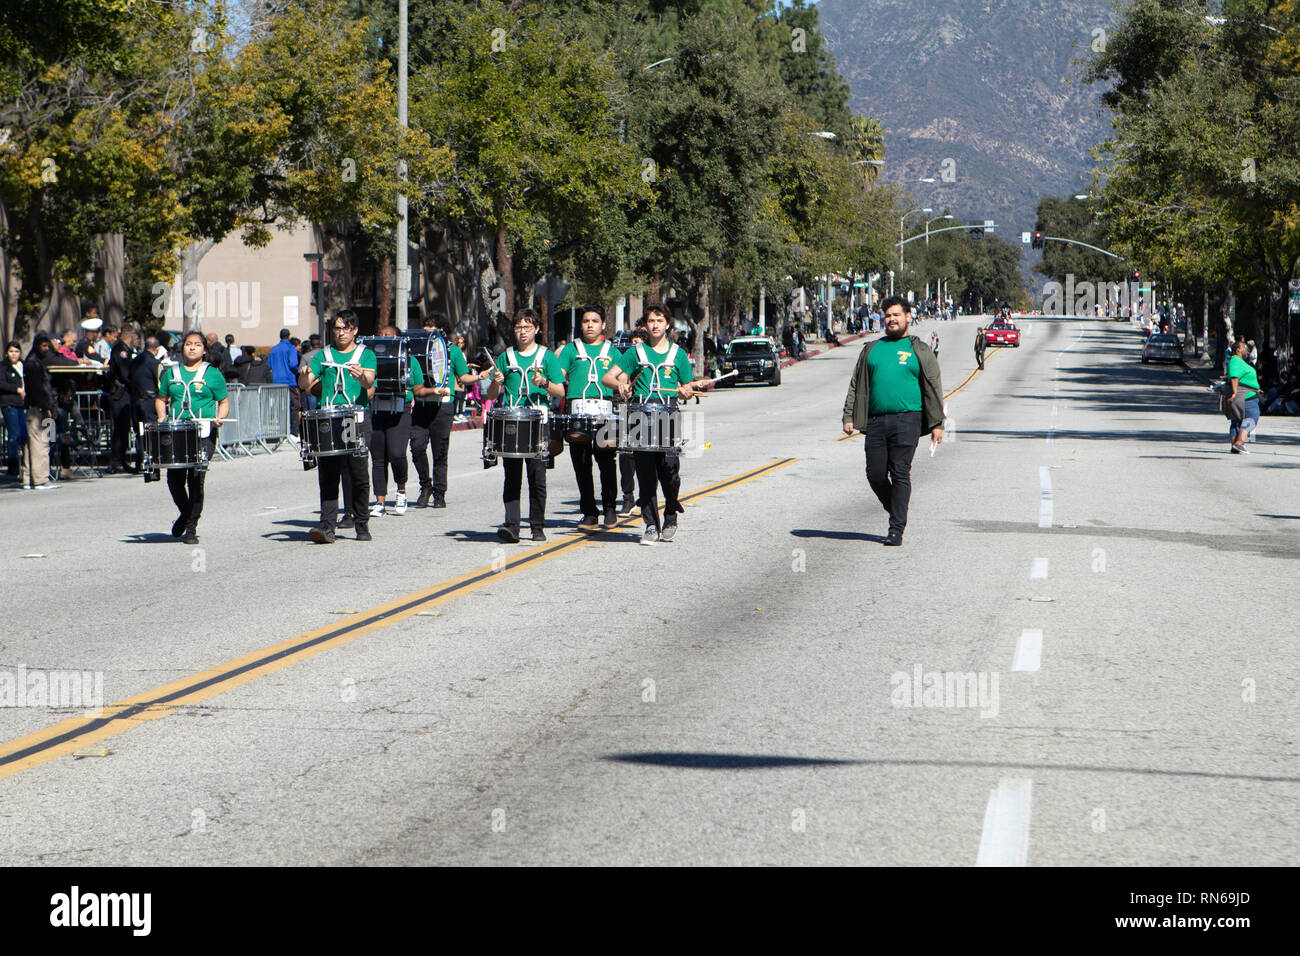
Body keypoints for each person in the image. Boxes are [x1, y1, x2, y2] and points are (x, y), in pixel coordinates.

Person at [841, 295, 944, 546]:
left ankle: (895, 529)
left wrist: (938, 424)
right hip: (876, 421)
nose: (891, 319)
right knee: (875, 474)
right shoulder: (871, 349)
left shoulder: (918, 349)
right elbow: (856, 385)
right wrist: (848, 416)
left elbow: (933, 386)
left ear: (908, 317)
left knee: (900, 472)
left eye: (896, 314)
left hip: (908, 419)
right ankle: (898, 509)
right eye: (888, 315)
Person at [602, 304, 699, 545]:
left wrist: (686, 391)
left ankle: (670, 515)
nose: (655, 324)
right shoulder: (635, 353)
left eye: (659, 320)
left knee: (669, 471)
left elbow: (687, 386)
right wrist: (621, 385)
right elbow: (607, 377)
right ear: (645, 325)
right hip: (640, 414)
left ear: (668, 324)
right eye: (651, 320)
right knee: (645, 474)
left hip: (668, 413)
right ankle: (650, 525)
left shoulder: (677, 354)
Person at [484, 307, 566, 543]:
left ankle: (537, 526)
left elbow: (560, 391)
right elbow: (491, 394)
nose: (522, 332)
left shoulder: (547, 356)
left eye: (527, 327)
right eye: (519, 327)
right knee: (511, 475)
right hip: (512, 419)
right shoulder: (505, 357)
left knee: (537, 476)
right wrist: (496, 382)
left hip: (538, 420)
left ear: (537, 329)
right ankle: (511, 526)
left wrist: (545, 382)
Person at [300, 309, 376, 543]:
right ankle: (327, 527)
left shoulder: (365, 354)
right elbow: (306, 384)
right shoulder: (323, 355)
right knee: (329, 474)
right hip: (329, 418)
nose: (341, 332)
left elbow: (369, 382)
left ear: (354, 330)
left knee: (359, 474)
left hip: (355, 418)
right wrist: (304, 374)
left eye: (346, 328)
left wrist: (360, 375)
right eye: (337, 328)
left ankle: (361, 523)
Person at [154, 330, 229, 544]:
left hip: (203, 431)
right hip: (177, 430)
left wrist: (219, 418)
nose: (192, 347)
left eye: (197, 344)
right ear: (182, 347)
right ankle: (186, 514)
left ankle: (191, 528)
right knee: (174, 480)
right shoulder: (170, 373)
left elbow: (224, 402)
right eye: (188, 344)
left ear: (204, 350)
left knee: (196, 478)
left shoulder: (213, 374)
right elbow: (161, 398)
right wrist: (161, 416)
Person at [558, 304, 622, 530]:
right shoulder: (570, 350)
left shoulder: (612, 351)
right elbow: (559, 377)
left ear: (603, 324)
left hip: (604, 410)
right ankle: (589, 512)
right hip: (578, 411)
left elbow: (622, 378)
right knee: (582, 464)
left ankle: (610, 508)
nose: (590, 325)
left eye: (595, 321)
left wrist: (625, 385)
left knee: (606, 462)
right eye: (586, 321)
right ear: (580, 325)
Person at [409, 314, 474, 509]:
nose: (428, 330)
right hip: (421, 405)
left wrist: (479, 378)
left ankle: (439, 492)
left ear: (442, 331)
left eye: (432, 327)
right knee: (417, 447)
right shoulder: (416, 349)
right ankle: (425, 485)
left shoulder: (452, 351)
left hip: (444, 406)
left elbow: (463, 376)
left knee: (440, 452)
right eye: (426, 327)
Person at [368, 324, 433, 517]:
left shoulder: (410, 361)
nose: (384, 338)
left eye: (388, 335)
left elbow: (418, 389)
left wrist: (433, 391)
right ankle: (379, 501)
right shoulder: (371, 360)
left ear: (397, 340)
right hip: (377, 409)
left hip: (400, 410)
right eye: (381, 335)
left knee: (397, 454)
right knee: (378, 458)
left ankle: (401, 492)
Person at [21, 335, 60, 490]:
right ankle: (41, 479)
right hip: (39, 409)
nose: (46, 349)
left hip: (38, 407)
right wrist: (46, 409)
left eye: (47, 346)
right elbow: (38, 390)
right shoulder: (34, 364)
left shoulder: (35, 362)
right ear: (37, 345)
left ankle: (27, 479)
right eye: (43, 346)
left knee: (31, 444)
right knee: (42, 443)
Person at [129, 335, 163, 480]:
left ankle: (139, 463)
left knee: (139, 433)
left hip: (136, 400)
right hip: (149, 401)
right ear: (156, 349)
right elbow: (159, 383)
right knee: (151, 434)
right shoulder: (154, 363)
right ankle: (152, 465)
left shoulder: (135, 361)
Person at [103, 325, 134, 473]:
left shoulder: (122, 349)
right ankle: (116, 462)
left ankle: (121, 460)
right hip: (120, 394)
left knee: (123, 429)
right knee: (120, 429)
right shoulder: (121, 350)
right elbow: (125, 373)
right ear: (131, 335)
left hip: (123, 394)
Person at [1225, 338, 1260, 454]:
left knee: (1237, 420)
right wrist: (1235, 393)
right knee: (1252, 418)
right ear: (1238, 350)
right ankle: (1239, 443)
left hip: (1245, 393)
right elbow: (1235, 378)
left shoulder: (1237, 361)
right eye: (1244, 347)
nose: (1246, 350)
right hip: (1246, 396)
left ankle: (1235, 445)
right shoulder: (1236, 361)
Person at [1, 342, 27, 480]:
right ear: (7, 353)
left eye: (16, 351)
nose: (14, 354)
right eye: (11, 351)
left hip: (22, 404)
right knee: (13, 435)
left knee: (23, 433)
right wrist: (16, 389)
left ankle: (24, 464)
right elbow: (2, 383)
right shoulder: (3, 367)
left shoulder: (23, 365)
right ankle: (12, 465)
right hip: (9, 403)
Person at [268, 327, 301, 429]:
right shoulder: (291, 348)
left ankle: (282, 429)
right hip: (289, 381)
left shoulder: (273, 350)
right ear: (289, 336)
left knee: (280, 407)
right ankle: (293, 431)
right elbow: (293, 364)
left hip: (276, 381)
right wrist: (298, 372)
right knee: (293, 406)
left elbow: (268, 365)